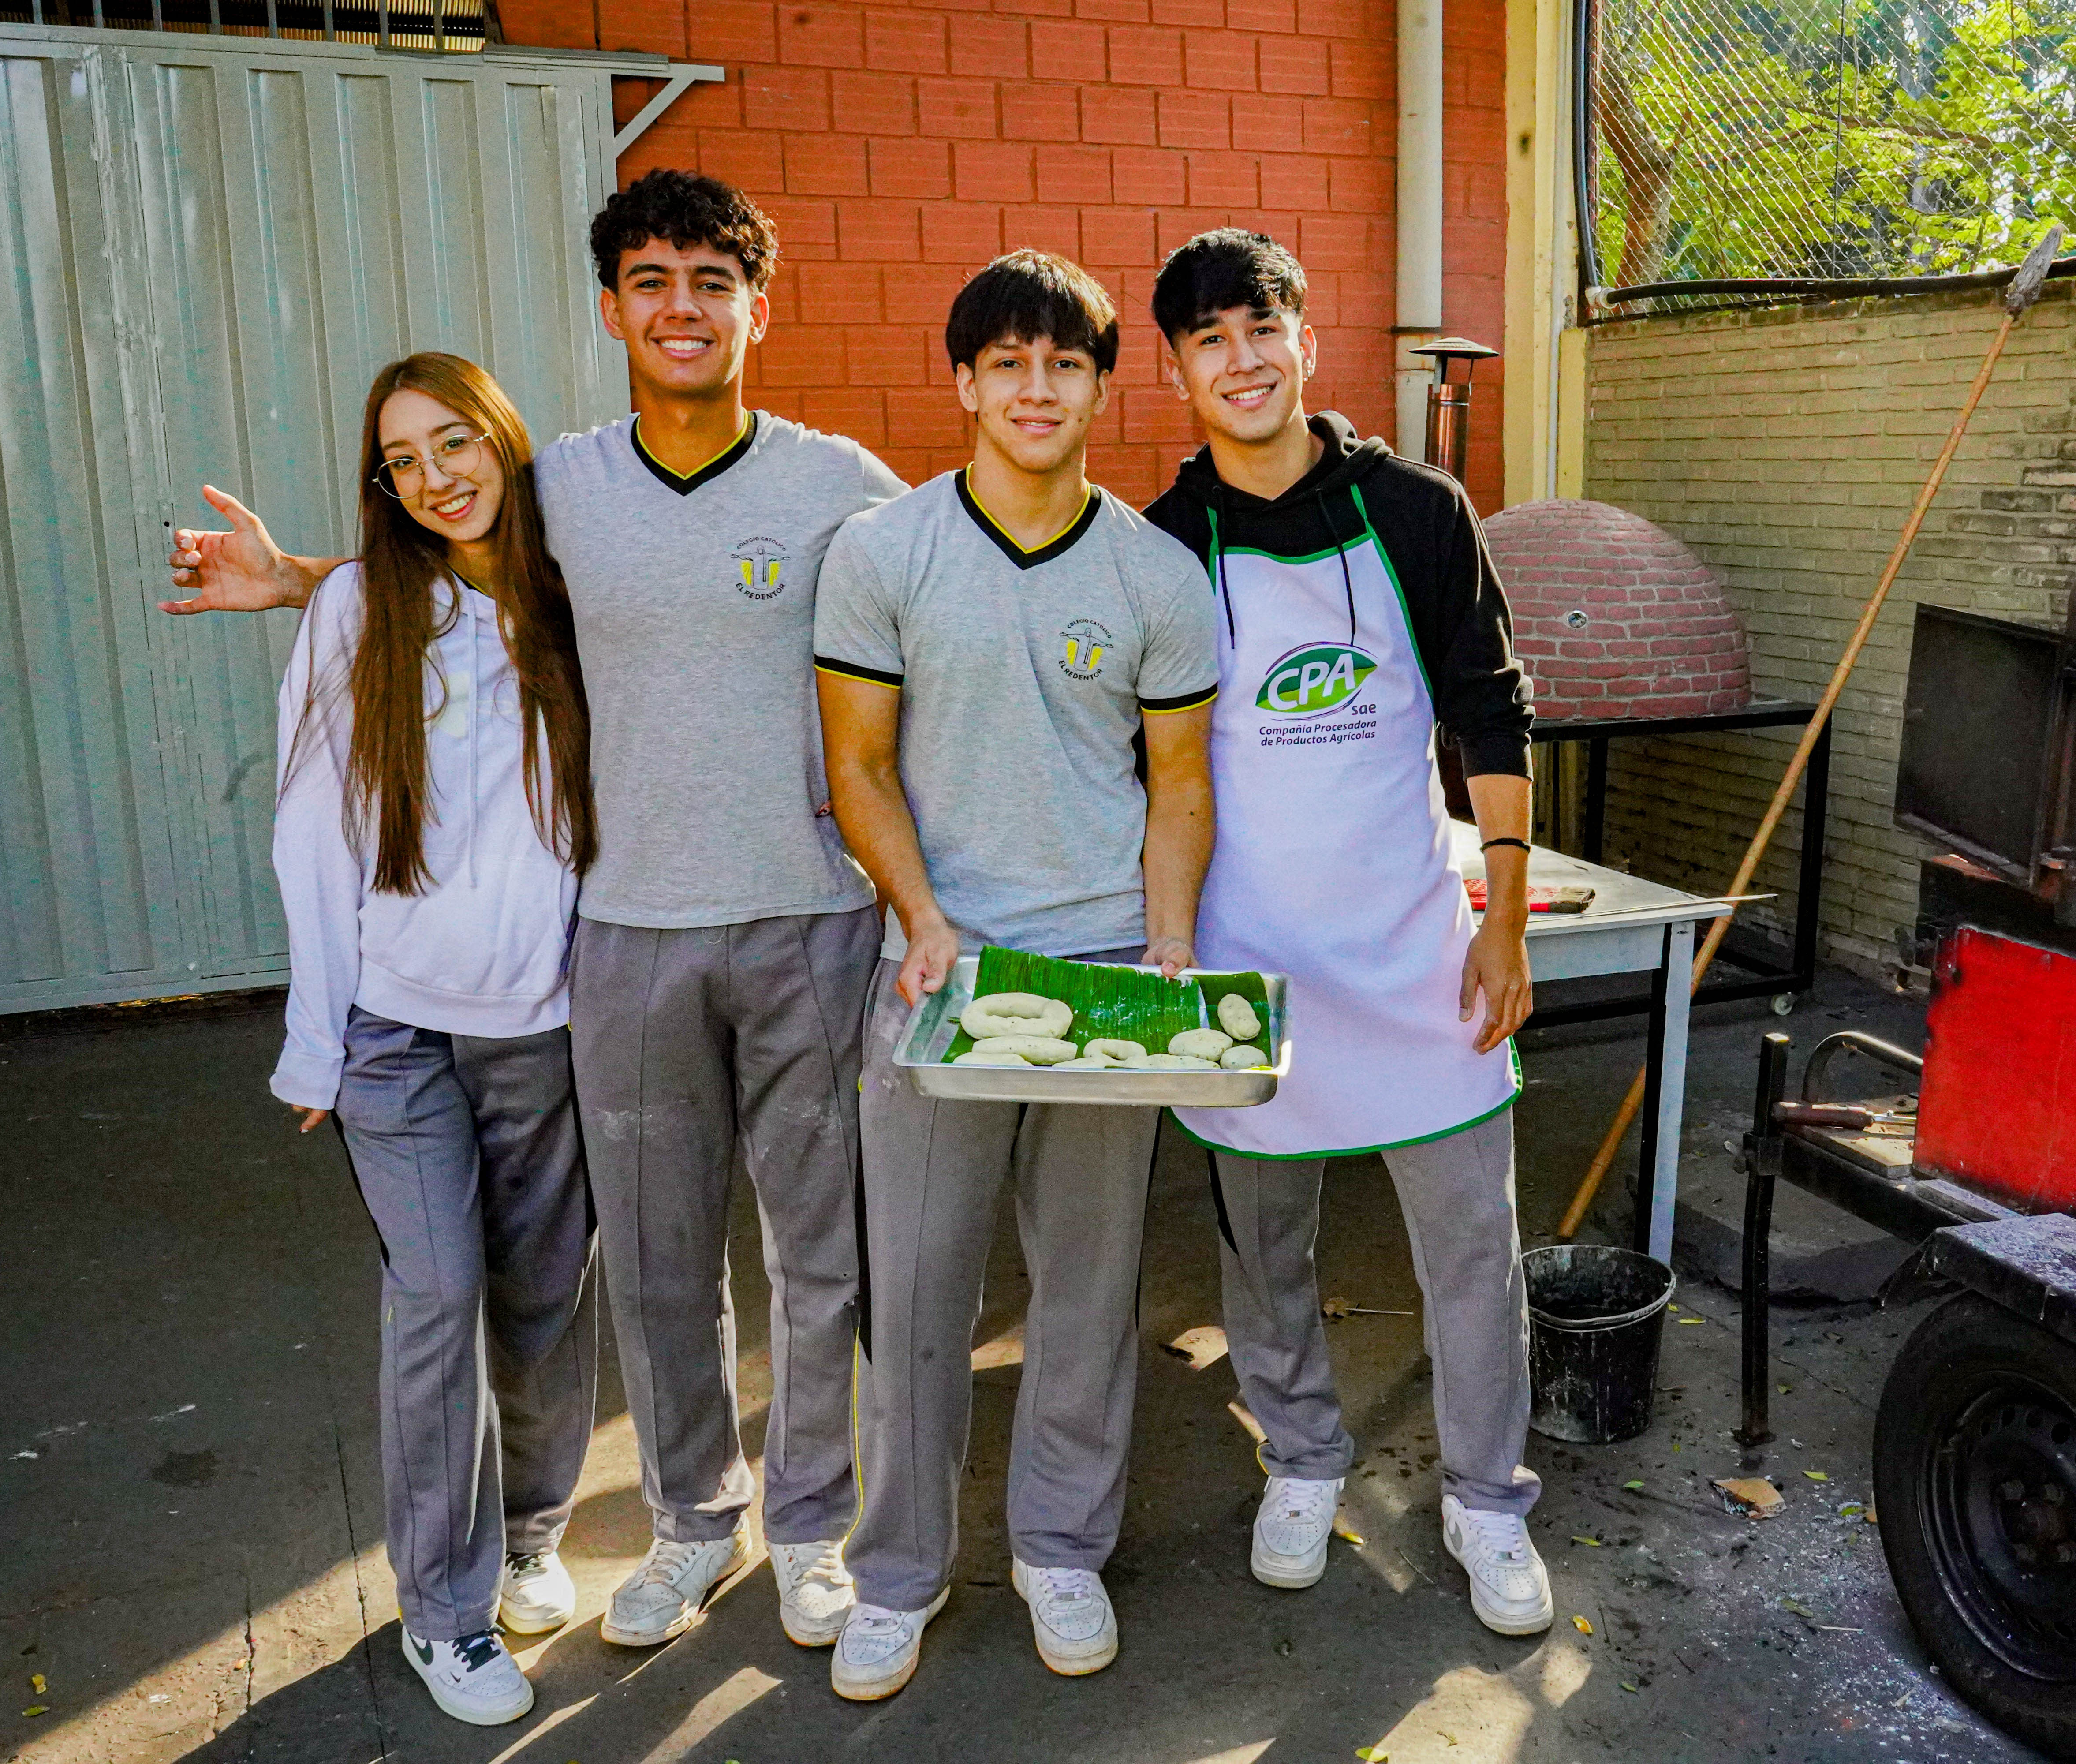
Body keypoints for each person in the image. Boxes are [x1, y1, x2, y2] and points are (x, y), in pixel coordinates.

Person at [167, 171, 904, 1655]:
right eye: (651, 279)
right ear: (612, 309)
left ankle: (817, 1530)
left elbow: (954, 632)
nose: (682, 306)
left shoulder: (844, 486)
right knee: (654, 1256)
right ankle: (699, 1522)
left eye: (713, 279)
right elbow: (443, 586)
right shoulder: (560, 483)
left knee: (824, 1250)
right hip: (620, 935)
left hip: (811, 921)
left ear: (765, 305)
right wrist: (302, 584)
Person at [812, 250, 1217, 1700]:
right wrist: (917, 913)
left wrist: (1168, 943)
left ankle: (1060, 1552)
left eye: (1064, 365)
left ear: (1103, 386)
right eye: (1007, 366)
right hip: (939, 973)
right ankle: (899, 1576)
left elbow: (1178, 785)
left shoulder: (1156, 576)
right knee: (916, 1296)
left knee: (1090, 1291)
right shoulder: (884, 554)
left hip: (1104, 966)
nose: (1034, 390)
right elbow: (857, 766)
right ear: (965, 383)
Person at [1142, 230, 1553, 1637]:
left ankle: (1491, 1500)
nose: (1240, 360)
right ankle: (1303, 1457)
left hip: (1412, 951)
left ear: (1306, 340)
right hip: (1249, 962)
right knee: (1267, 1245)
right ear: (1179, 366)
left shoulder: (1420, 508)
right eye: (1209, 339)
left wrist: (1501, 912)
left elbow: (1490, 706)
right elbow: (1150, 766)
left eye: (1261, 329)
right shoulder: (1162, 543)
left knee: (1470, 1246)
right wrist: (1166, 948)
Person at [270, 352, 598, 1726]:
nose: (432, 476)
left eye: (453, 442)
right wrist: (315, 1038)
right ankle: (443, 1613)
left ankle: (529, 1536)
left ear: (505, 441)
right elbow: (313, 829)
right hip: (397, 1034)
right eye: (401, 461)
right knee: (440, 1299)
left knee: (542, 1300)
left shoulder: (577, 596)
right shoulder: (359, 608)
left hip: (548, 1028)